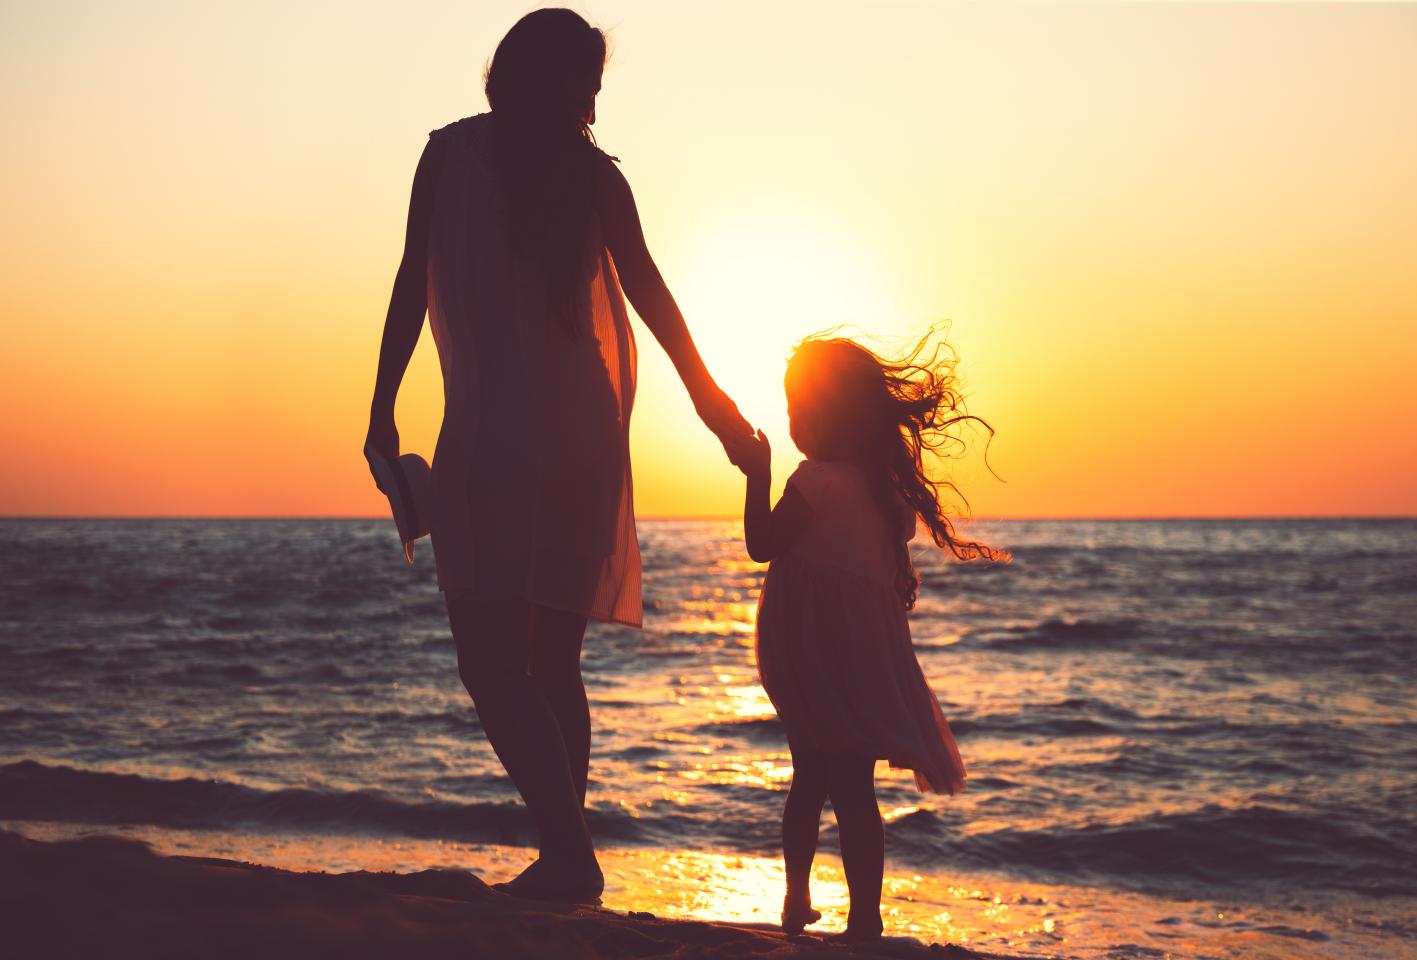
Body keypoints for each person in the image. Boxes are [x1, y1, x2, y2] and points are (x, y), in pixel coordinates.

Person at [364, 9, 751, 903]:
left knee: (488, 661)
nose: (593, 103)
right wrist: (714, 407)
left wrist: (383, 404)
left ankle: (568, 852)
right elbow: (651, 294)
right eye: (589, 86)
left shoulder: (449, 156)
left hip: (495, 430)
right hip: (578, 436)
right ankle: (563, 858)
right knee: (549, 664)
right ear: (566, 86)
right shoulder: (592, 178)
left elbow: (408, 279)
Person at [724, 332, 1007, 941]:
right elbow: (887, 569)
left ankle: (796, 901)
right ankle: (865, 918)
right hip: (860, 651)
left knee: (810, 773)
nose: (794, 421)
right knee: (854, 784)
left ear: (828, 414)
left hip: (805, 643)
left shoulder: (814, 482)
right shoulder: (886, 493)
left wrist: (758, 473)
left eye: (800, 407)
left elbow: (760, 547)